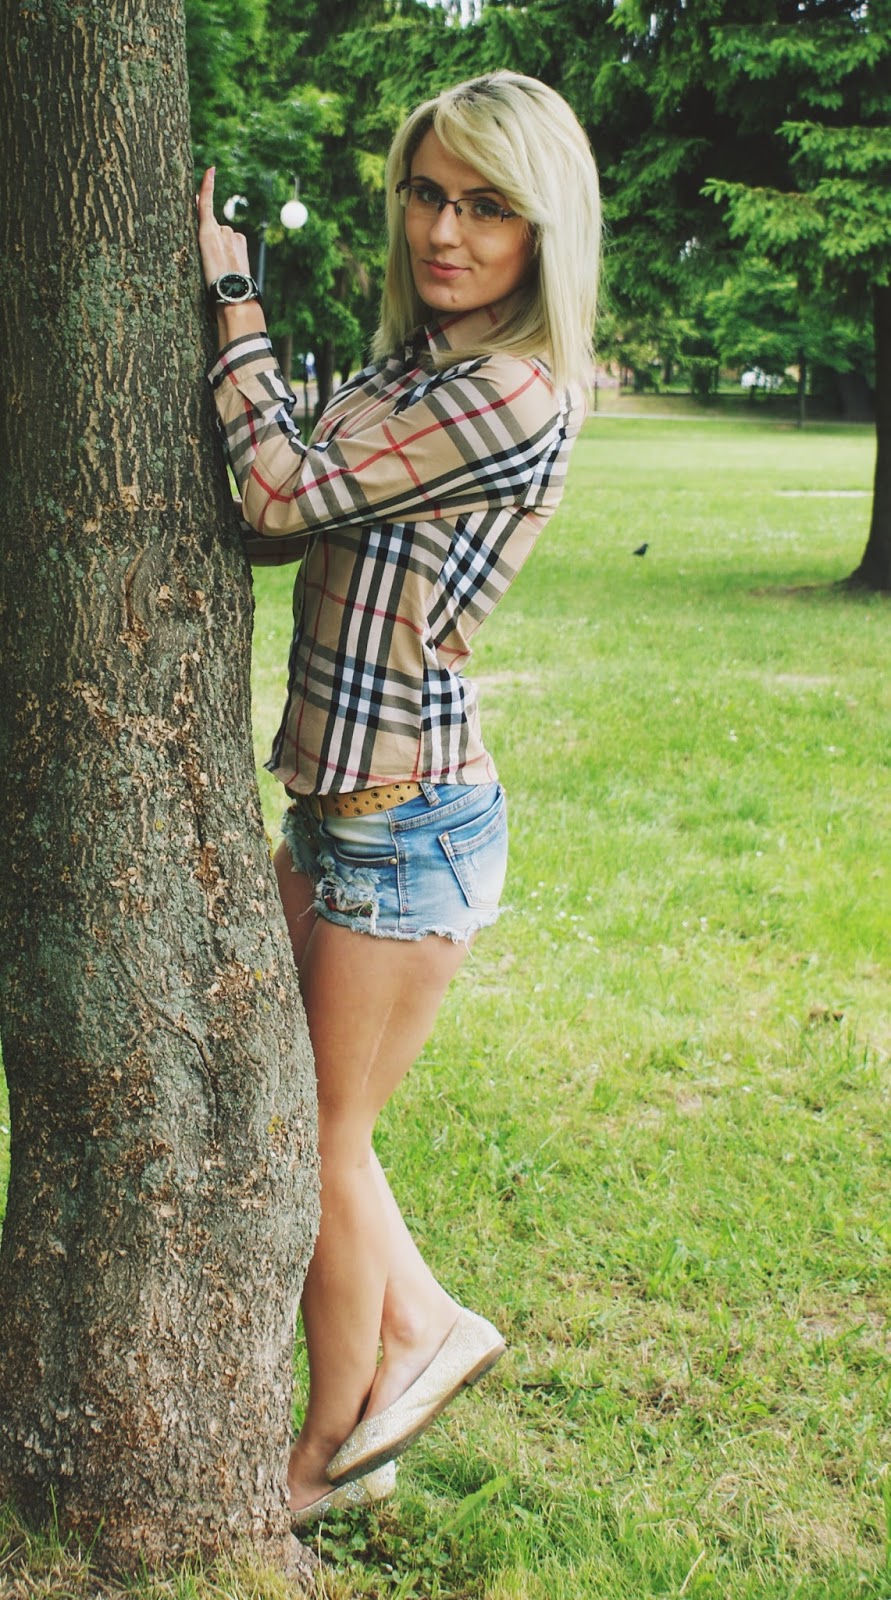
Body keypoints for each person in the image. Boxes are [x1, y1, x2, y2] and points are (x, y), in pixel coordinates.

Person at [197, 70, 600, 1526]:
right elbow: (285, 504)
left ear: (543, 230)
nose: (444, 231)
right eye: (427, 194)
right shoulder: (420, 364)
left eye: (487, 207)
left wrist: (231, 303)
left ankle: (328, 1452)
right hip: (345, 805)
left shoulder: (507, 388)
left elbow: (277, 495)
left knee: (321, 1137)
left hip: (404, 820)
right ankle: (423, 1330)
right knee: (288, 1109)